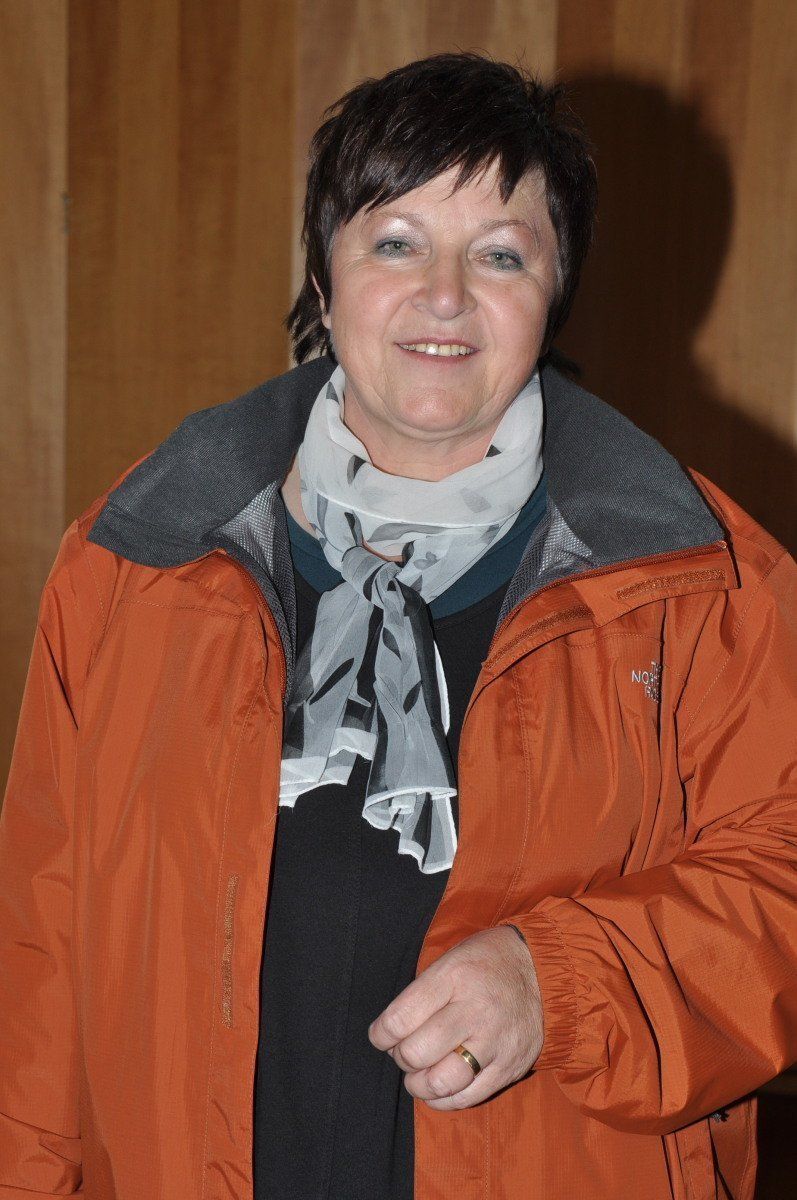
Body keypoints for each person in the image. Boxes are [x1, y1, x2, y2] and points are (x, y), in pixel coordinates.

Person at [1, 50, 795, 1200]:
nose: (443, 295)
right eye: (394, 242)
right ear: (324, 280)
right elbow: (42, 949)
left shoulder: (704, 584)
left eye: (500, 254)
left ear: (553, 293)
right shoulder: (134, 557)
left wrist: (560, 984)